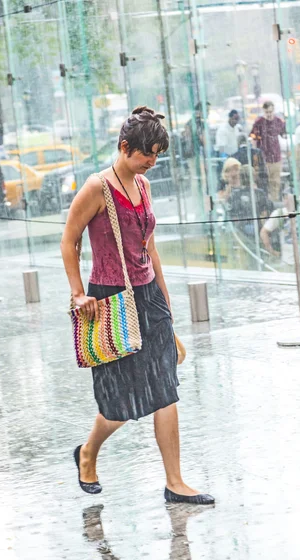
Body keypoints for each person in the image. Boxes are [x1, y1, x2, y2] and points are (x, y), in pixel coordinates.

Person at [60, 106, 214, 505]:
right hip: (108, 301)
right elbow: (69, 241)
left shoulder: (143, 187)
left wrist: (165, 301)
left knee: (165, 388)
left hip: (147, 297)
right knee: (120, 403)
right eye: (148, 154)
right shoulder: (97, 188)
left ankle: (175, 482)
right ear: (125, 147)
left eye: (158, 154)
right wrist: (79, 294)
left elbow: (150, 249)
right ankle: (88, 452)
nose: (153, 161)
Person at [260, 190, 300, 271]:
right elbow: (264, 232)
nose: (287, 201)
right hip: (289, 263)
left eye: (290, 198)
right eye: (285, 198)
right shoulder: (279, 213)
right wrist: (271, 250)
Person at [250, 101, 286, 203]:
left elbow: (284, 135)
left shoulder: (279, 121)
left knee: (275, 182)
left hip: (276, 156)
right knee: (264, 182)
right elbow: (253, 138)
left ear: (273, 110)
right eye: (267, 112)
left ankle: (273, 202)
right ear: (264, 111)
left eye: (270, 112)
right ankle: (265, 201)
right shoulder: (259, 123)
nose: (269, 114)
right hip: (263, 157)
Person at [228, 165, 273, 237]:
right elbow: (265, 214)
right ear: (254, 177)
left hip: (240, 232)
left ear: (240, 177)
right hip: (258, 230)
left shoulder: (234, 195)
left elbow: (233, 217)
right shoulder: (260, 193)